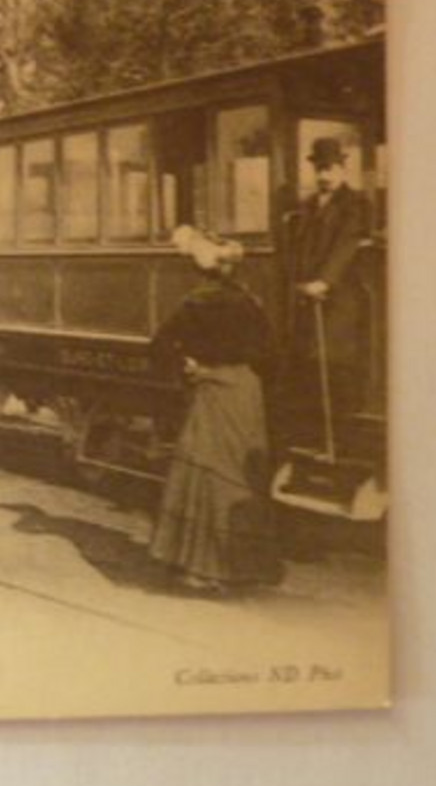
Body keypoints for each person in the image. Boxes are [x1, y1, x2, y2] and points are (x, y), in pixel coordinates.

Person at [148, 228, 281, 593]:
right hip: (246, 395)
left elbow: (159, 347)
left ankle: (202, 568)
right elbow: (270, 354)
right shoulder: (251, 302)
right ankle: (245, 567)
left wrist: (191, 368)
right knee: (242, 477)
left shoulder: (196, 303)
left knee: (205, 474)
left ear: (202, 269)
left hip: (213, 393)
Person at [279, 136, 371, 450]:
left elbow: (348, 243)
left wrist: (325, 281)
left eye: (329, 168)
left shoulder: (356, 203)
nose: (323, 176)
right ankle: (313, 439)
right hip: (309, 298)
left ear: (343, 168)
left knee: (336, 366)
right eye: (319, 169)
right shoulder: (306, 206)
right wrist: (300, 281)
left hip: (341, 298)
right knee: (308, 367)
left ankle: (344, 441)